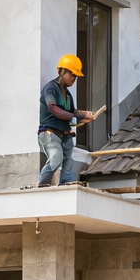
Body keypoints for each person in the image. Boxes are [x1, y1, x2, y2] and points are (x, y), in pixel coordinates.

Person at [37, 54, 96, 186]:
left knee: (68, 161)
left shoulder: (68, 95)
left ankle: (65, 184)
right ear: (62, 71)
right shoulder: (51, 88)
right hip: (49, 133)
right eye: (72, 74)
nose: (74, 78)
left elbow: (73, 112)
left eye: (76, 76)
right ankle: (43, 184)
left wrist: (85, 114)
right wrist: (76, 116)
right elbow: (54, 109)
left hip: (64, 134)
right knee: (56, 157)